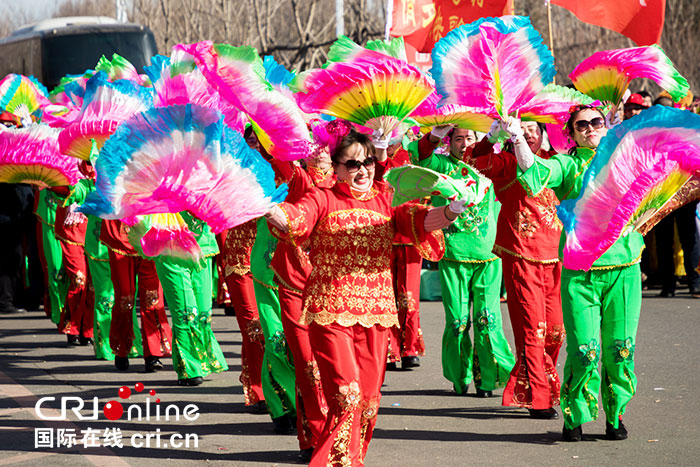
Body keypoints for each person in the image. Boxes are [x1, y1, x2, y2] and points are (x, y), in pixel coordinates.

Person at [266, 124, 463, 466]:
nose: (363, 170)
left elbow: (416, 223)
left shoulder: (386, 198)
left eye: (368, 162)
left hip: (377, 312)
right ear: (338, 168)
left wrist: (451, 211)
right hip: (330, 312)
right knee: (347, 394)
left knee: (369, 400)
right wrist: (264, 206)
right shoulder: (323, 197)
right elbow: (296, 218)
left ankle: (350, 458)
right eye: (353, 164)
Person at [512, 104, 644, 441]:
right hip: (581, 274)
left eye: (596, 122)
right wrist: (517, 137)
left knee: (619, 349)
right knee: (585, 351)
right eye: (581, 125)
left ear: (605, 125)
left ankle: (615, 416)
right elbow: (537, 173)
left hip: (624, 269)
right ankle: (575, 416)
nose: (589, 128)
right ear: (570, 133)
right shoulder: (568, 165)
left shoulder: (625, 158)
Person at [409, 126, 515, 398]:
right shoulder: (442, 165)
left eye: (470, 138)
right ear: (450, 142)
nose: (464, 143)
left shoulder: (490, 165)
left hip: (488, 256)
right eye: (458, 138)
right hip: (454, 255)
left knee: (486, 320)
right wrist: (433, 136)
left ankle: (488, 380)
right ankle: (460, 376)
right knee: (457, 321)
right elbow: (420, 158)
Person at [470, 121, 565, 419]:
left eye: (533, 127)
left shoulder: (555, 161)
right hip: (521, 256)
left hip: (556, 258)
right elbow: (473, 160)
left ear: (544, 132)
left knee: (555, 331)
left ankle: (535, 382)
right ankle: (540, 398)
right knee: (533, 330)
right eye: (521, 128)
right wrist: (494, 134)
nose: (528, 132)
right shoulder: (505, 161)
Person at [268, 127, 336, 461]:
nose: (319, 150)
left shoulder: (348, 179)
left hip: (336, 285)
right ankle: (313, 436)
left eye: (325, 144)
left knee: (335, 367)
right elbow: (277, 154)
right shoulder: (296, 175)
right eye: (313, 144)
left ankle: (338, 436)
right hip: (295, 279)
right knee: (307, 364)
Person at [152, 212, 229, 385]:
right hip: (170, 246)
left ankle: (203, 360)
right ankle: (189, 369)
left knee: (203, 313)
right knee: (186, 312)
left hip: (203, 247)